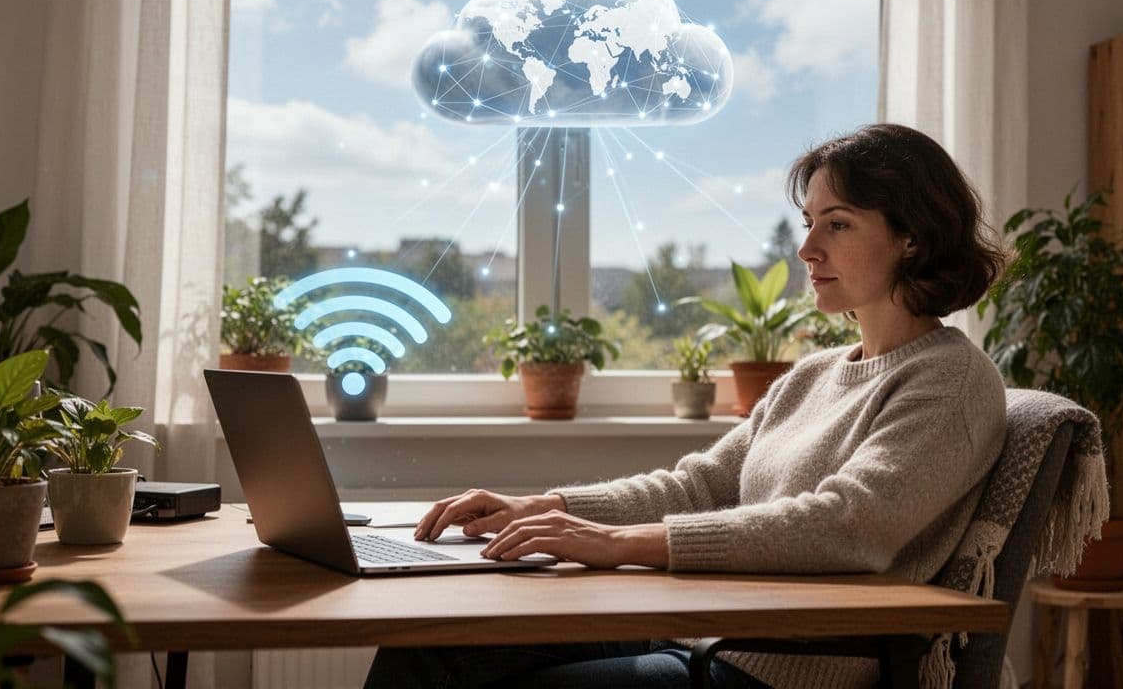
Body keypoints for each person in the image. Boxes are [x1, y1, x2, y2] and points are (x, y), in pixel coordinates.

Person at [364, 123, 1008, 689]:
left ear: (912, 239)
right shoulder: (812, 374)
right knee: (427, 651)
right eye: (809, 223)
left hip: (774, 671)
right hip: (699, 638)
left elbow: (850, 524)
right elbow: (699, 485)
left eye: (837, 224)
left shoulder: (951, 380)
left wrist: (617, 543)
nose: (807, 249)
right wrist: (546, 507)